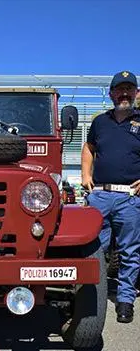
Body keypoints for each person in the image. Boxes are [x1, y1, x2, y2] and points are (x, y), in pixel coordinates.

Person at [81, 70, 140, 324]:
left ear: (137, 93)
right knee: (93, 248)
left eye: (129, 89)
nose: (124, 93)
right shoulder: (100, 122)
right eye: (119, 89)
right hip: (100, 196)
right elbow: (88, 148)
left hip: (130, 198)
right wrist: (85, 175)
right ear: (111, 94)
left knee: (129, 251)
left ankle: (125, 300)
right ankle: (91, 295)